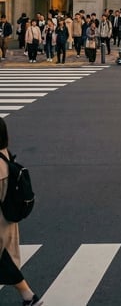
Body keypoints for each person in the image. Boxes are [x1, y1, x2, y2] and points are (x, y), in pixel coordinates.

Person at [0, 117, 43, 305]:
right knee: (3, 260)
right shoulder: (4, 154)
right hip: (5, 220)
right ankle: (28, 296)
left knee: (3, 260)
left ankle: (29, 296)